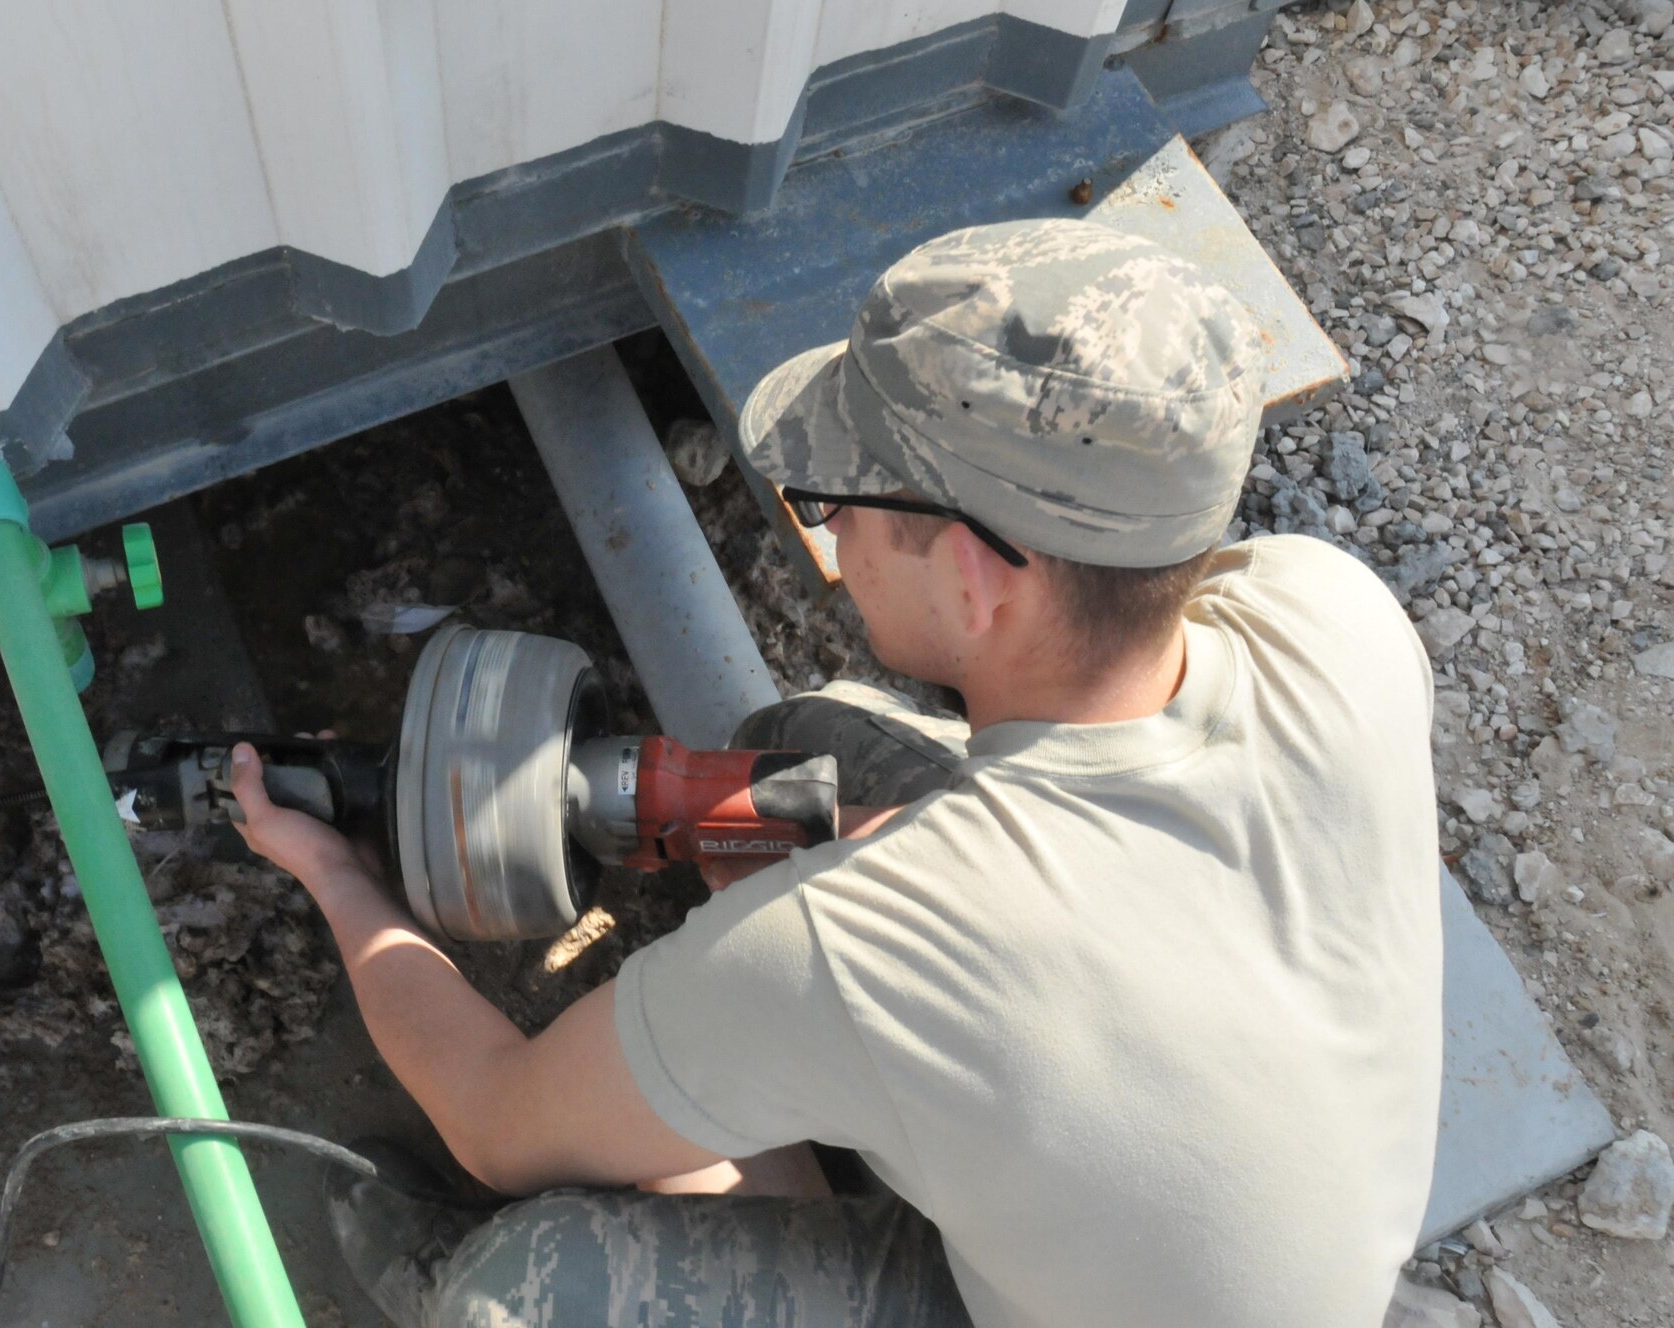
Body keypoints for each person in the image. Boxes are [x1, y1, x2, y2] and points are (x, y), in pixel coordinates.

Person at [227, 218, 1445, 1327]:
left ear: (973, 578)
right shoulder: (1326, 608)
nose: (825, 532)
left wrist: (338, 875)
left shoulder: (869, 949)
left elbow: (496, 1121)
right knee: (793, 754)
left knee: (517, 1290)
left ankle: (466, 1278)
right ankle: (844, 1141)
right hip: (1240, 1210)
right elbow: (1036, 882)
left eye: (835, 502)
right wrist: (830, 855)